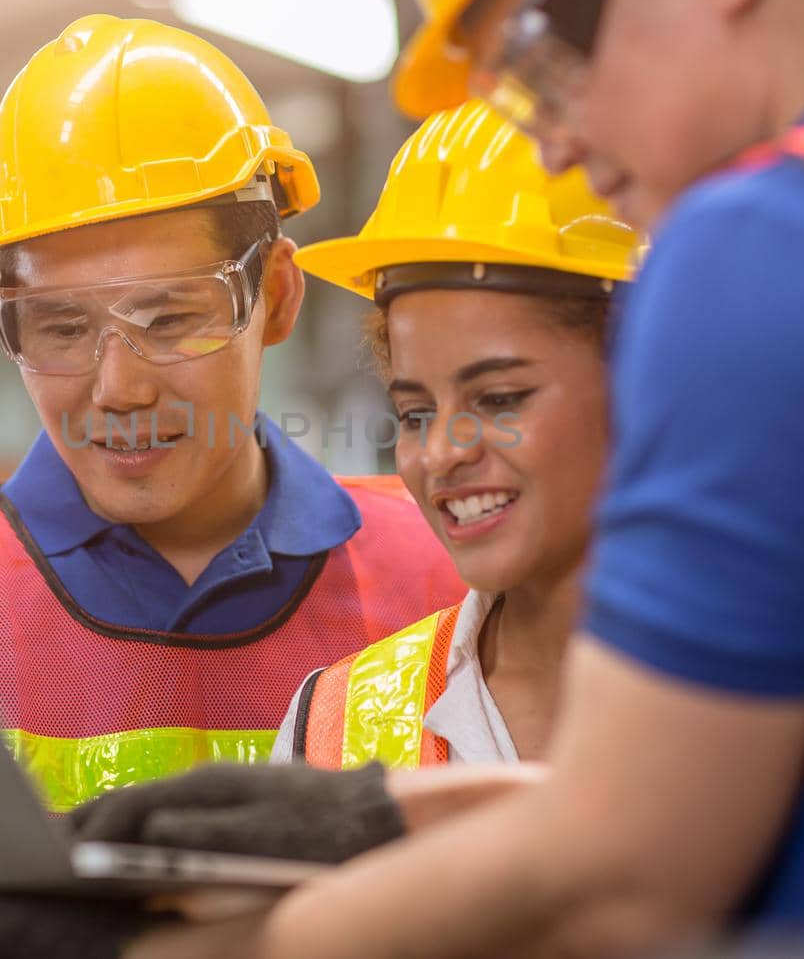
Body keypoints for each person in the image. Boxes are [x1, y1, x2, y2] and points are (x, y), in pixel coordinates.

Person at [18, 0, 804, 955]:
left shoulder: (780, 243)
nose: (558, 141)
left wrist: (190, 946)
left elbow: (627, 876)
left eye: (540, 60)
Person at [0, 14, 465, 959]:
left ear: (274, 294)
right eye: (60, 328)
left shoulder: (448, 578)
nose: (117, 388)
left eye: (168, 314)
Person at [270, 99, 640, 770]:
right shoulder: (331, 728)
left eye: (498, 398)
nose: (440, 452)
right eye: (414, 413)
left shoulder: (791, 693)